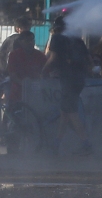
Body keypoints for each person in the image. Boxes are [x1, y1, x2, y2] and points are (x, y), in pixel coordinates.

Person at [43, 16, 92, 156]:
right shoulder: (77, 39)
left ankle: (86, 144)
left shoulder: (57, 38)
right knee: (65, 112)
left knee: (71, 112)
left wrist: (43, 70)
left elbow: (52, 58)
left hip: (67, 79)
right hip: (79, 79)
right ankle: (56, 144)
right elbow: (89, 59)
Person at [6, 31, 45, 102]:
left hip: (36, 92)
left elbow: (46, 73)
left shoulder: (40, 55)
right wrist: (24, 85)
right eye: (27, 40)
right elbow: (12, 74)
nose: (30, 43)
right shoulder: (14, 55)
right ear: (20, 42)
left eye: (32, 40)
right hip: (17, 92)